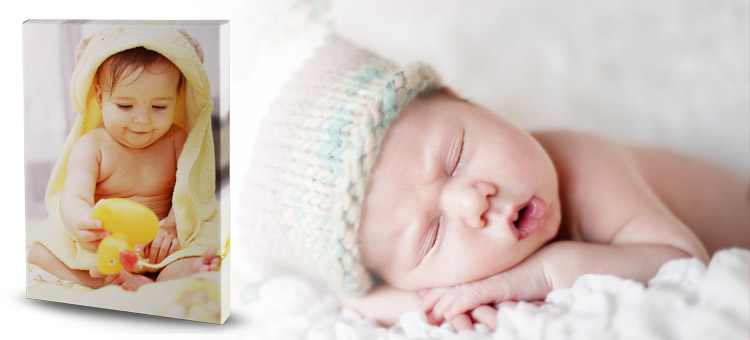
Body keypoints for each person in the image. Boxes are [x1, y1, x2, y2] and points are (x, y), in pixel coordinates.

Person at [244, 34, 750, 331]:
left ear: (461, 98)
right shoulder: (431, 272)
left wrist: (543, 276)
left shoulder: (580, 162)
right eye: (432, 234)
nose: (471, 202)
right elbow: (377, 303)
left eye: (456, 155)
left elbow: (681, 260)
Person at [28, 25, 221, 291]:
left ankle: (173, 274)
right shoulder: (92, 146)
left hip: (162, 243)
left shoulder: (177, 139)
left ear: (177, 98)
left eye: (159, 107)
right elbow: (74, 198)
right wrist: (85, 227)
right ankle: (116, 277)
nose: (142, 119)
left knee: (205, 241)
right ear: (99, 97)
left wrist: (173, 229)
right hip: (108, 243)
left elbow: (192, 192)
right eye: (125, 106)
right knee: (41, 251)